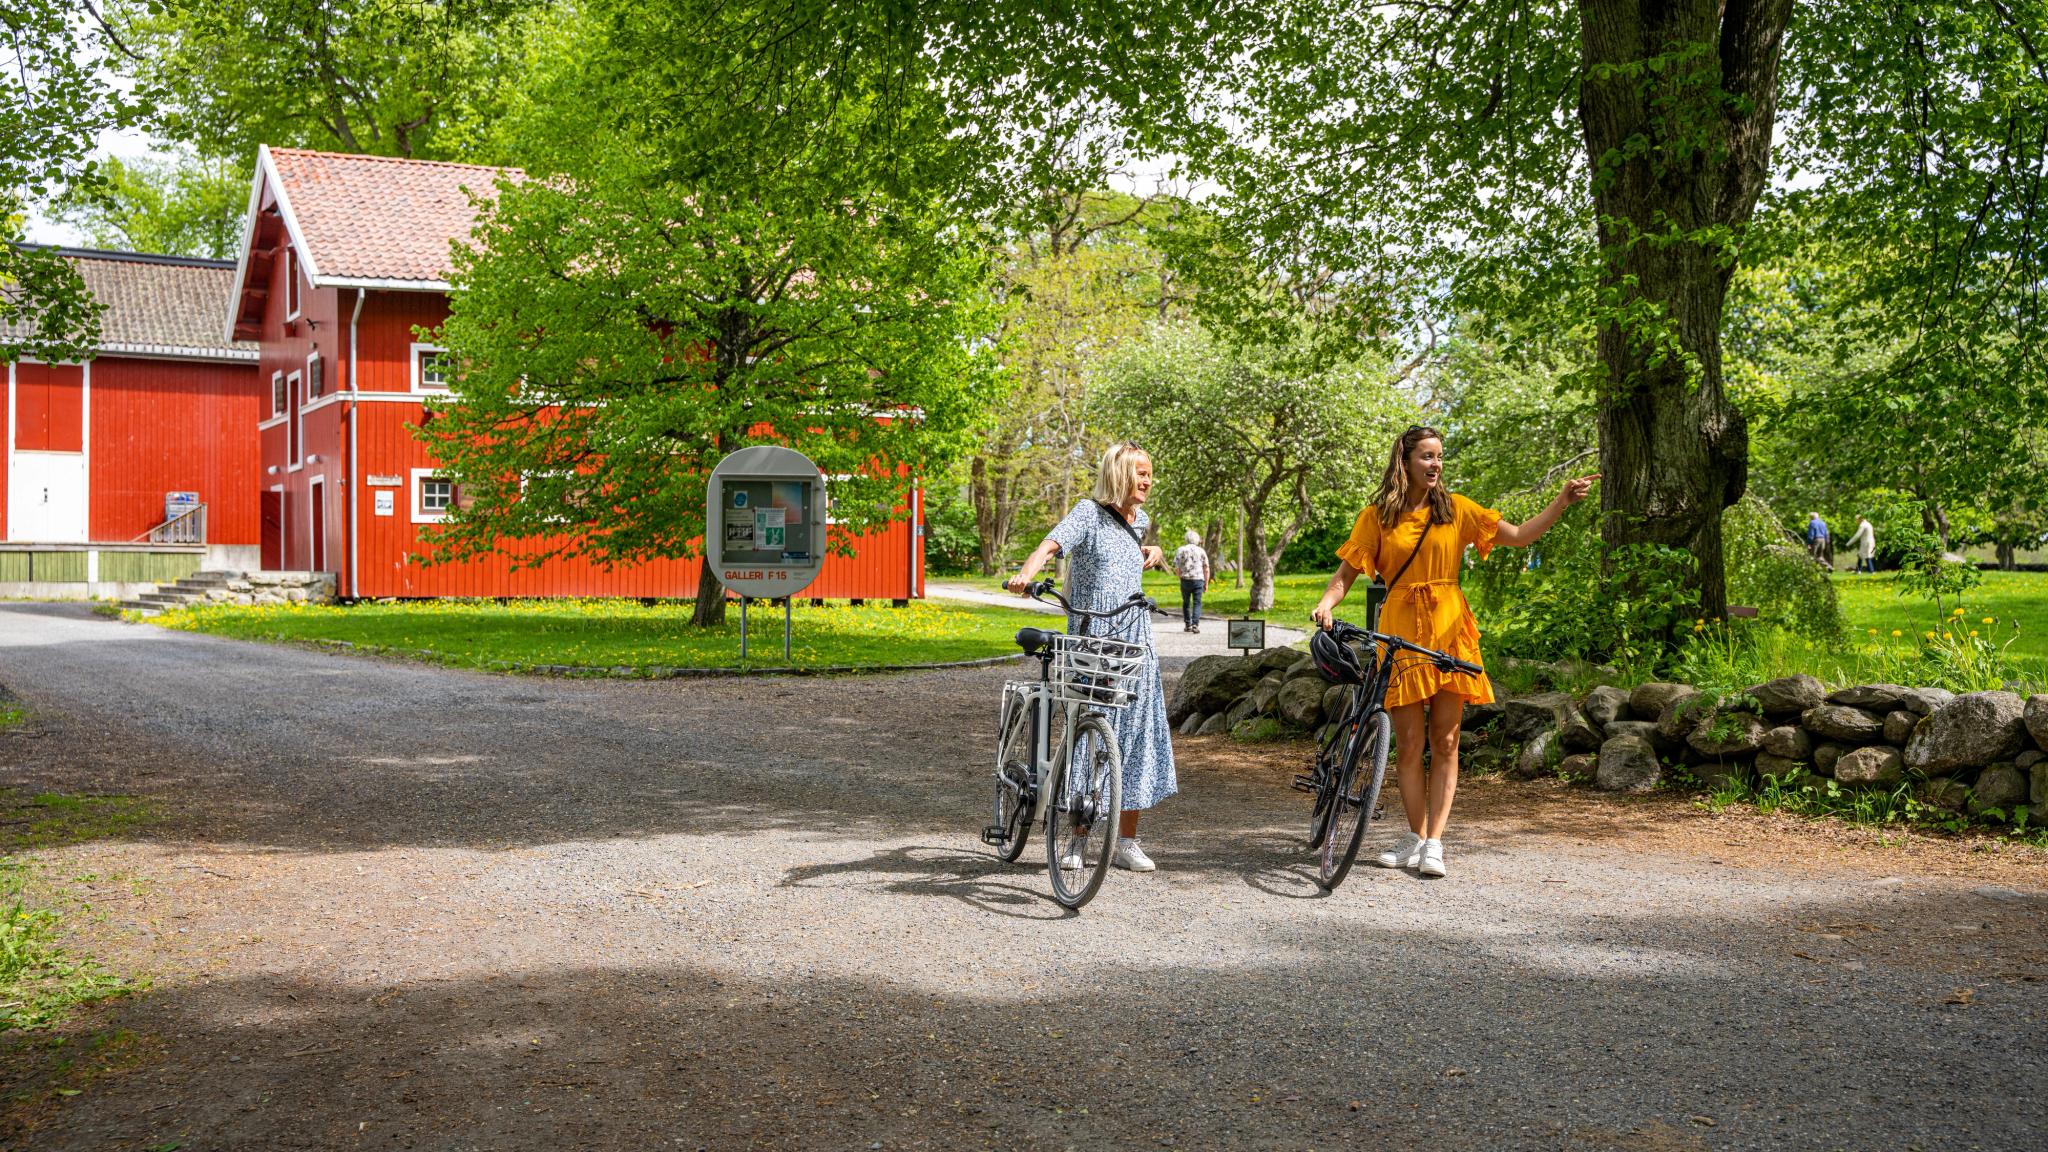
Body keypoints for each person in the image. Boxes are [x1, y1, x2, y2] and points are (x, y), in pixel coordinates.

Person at [1310, 426, 1595, 879]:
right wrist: (1326, 603)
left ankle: (1435, 844)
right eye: (1426, 456)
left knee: (1446, 740)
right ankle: (1415, 835)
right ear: (1404, 461)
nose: (1436, 464)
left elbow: (1520, 535)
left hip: (1449, 632)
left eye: (1440, 456)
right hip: (1401, 630)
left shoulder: (1457, 509)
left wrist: (1561, 502)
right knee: (1408, 744)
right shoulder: (1377, 516)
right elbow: (1346, 575)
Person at [1006, 442, 1175, 873]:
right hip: (1092, 638)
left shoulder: (1142, 522)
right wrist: (1026, 574)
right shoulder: (1088, 512)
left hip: (1137, 639)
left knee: (1139, 735)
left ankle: (1127, 841)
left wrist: (1149, 552)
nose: (1147, 480)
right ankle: (1077, 839)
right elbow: (1051, 545)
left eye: (1150, 473)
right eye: (1140, 472)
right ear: (1118, 474)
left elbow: (1122, 557)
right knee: (1089, 735)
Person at [1172, 529, 1211, 633]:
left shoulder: (1181, 550)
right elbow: (1206, 568)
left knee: (1186, 602)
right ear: (1197, 539)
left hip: (1185, 579)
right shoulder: (1201, 551)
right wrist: (1206, 583)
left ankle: (1188, 624)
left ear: (1186, 539)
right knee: (1197, 602)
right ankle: (1195, 624)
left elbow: (1176, 567)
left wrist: (1180, 577)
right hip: (1198, 580)